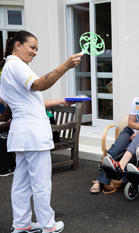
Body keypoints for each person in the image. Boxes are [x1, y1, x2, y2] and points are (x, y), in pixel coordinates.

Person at [0, 30, 82, 233]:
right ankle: (48, 226)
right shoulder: (18, 65)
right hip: (33, 133)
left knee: (21, 181)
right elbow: (38, 85)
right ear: (17, 45)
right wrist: (66, 65)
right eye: (33, 47)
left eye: (37, 49)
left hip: (22, 133)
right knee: (41, 182)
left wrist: (63, 100)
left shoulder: (7, 69)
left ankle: (21, 224)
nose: (35, 52)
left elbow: (32, 100)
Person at [90, 76, 139, 194]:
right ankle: (99, 181)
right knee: (115, 150)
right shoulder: (136, 101)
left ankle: (127, 181)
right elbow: (131, 123)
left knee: (134, 153)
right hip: (131, 130)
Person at [0, 106, 16, 177]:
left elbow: (14, 122)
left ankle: (7, 168)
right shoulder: (11, 102)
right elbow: (5, 117)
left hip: (19, 130)